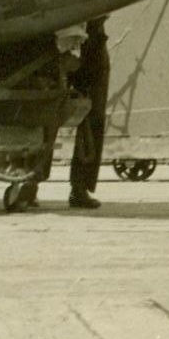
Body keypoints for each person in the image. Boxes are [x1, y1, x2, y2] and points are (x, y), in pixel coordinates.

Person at [68, 16, 110, 209]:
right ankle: (29, 180)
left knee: (94, 111)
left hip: (91, 34)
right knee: (44, 106)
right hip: (63, 32)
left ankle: (80, 186)